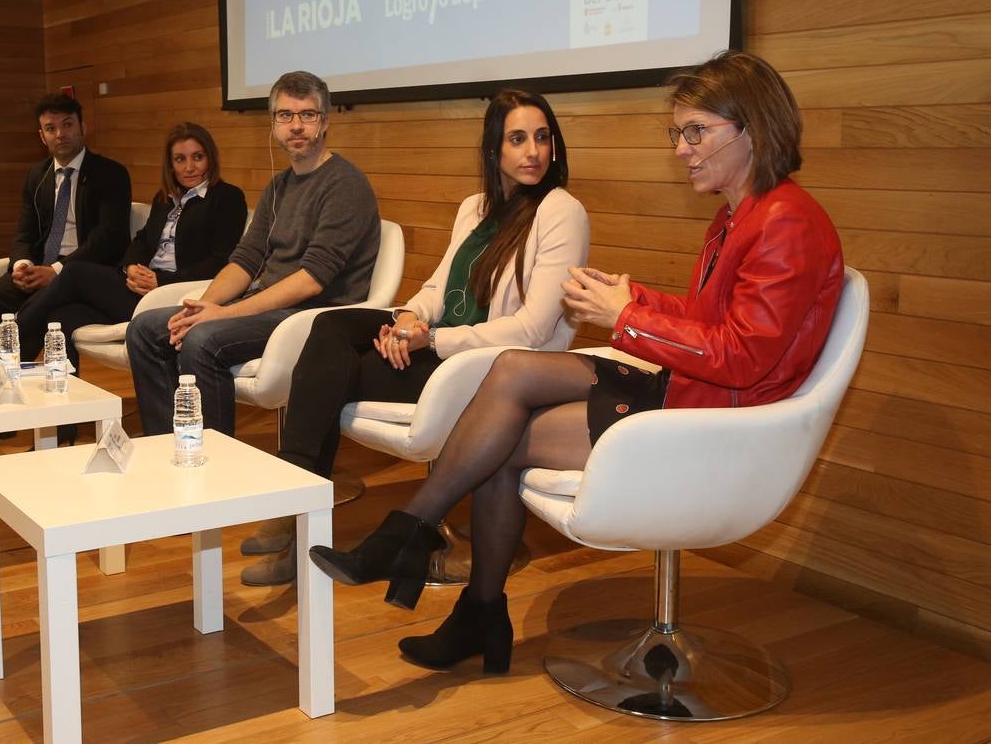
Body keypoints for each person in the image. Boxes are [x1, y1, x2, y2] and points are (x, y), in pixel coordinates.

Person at [309, 50, 844, 675]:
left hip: (716, 414)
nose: (682, 149)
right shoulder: (739, 216)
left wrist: (625, 318)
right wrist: (632, 297)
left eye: (695, 132)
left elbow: (744, 356)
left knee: (502, 439)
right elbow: (711, 320)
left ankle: (454, 585)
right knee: (512, 369)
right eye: (679, 133)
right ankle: (425, 553)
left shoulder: (786, 223)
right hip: (692, 386)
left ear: (751, 127)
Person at [239, 90, 590, 586]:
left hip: (495, 371)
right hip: (442, 349)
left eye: (541, 138)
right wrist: (408, 318)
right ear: (494, 150)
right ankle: (294, 499)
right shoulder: (475, 207)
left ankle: (293, 509)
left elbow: (533, 329)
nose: (532, 151)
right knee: (331, 326)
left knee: (333, 375)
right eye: (517, 139)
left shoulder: (561, 211)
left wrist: (433, 342)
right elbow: (436, 287)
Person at [126, 70, 380, 439]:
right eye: (285, 115)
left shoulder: (345, 184)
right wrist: (201, 307)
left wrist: (222, 315)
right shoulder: (279, 185)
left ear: (325, 122)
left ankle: (215, 466)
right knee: (146, 329)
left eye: (307, 115)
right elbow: (246, 258)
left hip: (313, 315)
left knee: (202, 340)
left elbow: (312, 280)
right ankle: (169, 446)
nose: (296, 125)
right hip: (267, 305)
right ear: (273, 125)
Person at [0, 122, 246, 374]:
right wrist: (131, 267)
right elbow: (142, 242)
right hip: (136, 288)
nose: (189, 167)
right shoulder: (165, 198)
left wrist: (161, 281)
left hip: (173, 296)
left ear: (210, 158)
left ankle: (2, 347)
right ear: (170, 165)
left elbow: (221, 261)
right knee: (60, 318)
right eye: (180, 159)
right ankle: (64, 420)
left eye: (198, 157)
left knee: (73, 274)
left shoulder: (227, 198)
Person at [0, 92, 132, 366]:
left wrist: (56, 270)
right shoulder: (36, 175)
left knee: (53, 307)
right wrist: (22, 264)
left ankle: (10, 365)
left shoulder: (110, 173)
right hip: (39, 268)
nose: (60, 134)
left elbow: (108, 238)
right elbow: (25, 230)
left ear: (83, 128)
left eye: (68, 125)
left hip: (85, 272)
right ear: (42, 136)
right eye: (51, 128)